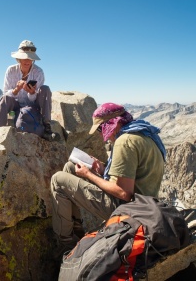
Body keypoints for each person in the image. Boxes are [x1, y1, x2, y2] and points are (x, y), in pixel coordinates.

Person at [50, 102, 166, 254]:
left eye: (100, 128)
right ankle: (76, 228)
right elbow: (132, 175)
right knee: (70, 168)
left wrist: (88, 174)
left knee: (58, 180)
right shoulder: (143, 133)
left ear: (112, 123)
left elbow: (124, 192)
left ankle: (65, 243)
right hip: (145, 206)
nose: (100, 134)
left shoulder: (124, 142)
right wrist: (102, 169)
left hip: (128, 211)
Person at [0, 40, 60, 141]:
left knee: (45, 89)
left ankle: (47, 128)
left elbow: (36, 98)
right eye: (24, 57)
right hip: (15, 105)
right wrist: (16, 90)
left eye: (30, 58)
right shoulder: (11, 70)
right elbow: (6, 92)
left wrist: (32, 92)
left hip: (32, 106)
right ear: (18, 58)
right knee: (5, 98)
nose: (27, 61)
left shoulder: (38, 72)